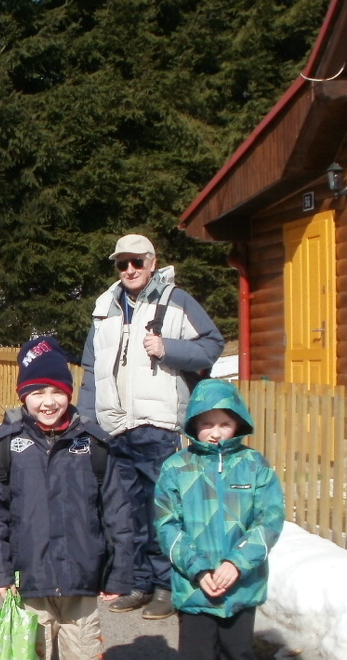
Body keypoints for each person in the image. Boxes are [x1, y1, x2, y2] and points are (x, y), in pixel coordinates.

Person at [0, 336, 135, 660]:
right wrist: (0, 570)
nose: (47, 401)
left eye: (56, 390)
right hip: (29, 580)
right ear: (23, 396)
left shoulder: (93, 444)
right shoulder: (7, 444)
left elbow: (117, 510)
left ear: (69, 392)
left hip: (80, 580)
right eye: (37, 392)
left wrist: (119, 571)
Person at [79, 234, 225, 619]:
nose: (129, 270)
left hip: (158, 425)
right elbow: (92, 370)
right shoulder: (104, 309)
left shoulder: (176, 301)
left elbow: (212, 345)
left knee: (162, 510)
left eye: (137, 262)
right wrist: (87, 421)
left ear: (152, 263)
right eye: (122, 263)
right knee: (126, 511)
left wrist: (168, 349)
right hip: (115, 426)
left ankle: (165, 586)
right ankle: (138, 582)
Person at [154, 378, 284, 660]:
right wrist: (197, 569)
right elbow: (166, 524)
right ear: (193, 425)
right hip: (195, 589)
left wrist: (236, 564)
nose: (215, 432)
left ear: (238, 423)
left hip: (240, 589)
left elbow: (269, 520)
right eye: (206, 423)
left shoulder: (255, 466)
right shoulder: (176, 468)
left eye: (224, 423)